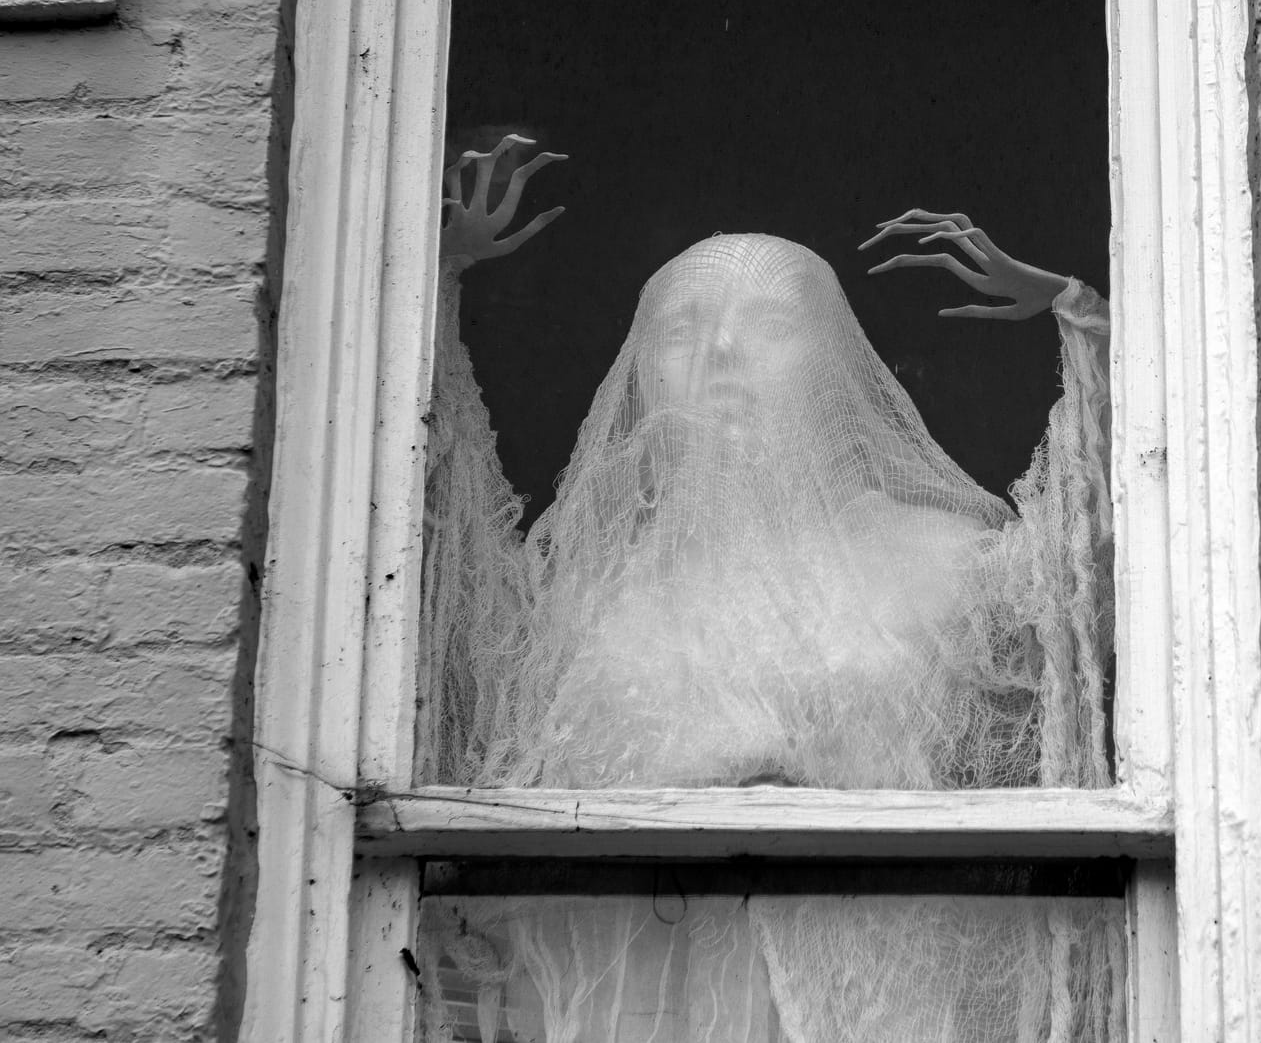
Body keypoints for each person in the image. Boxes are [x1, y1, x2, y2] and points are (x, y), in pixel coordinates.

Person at [421, 136, 1114, 793]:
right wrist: (428, 287)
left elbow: (1106, 563)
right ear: (640, 376)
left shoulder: (941, 564)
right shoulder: (585, 602)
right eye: (682, 329)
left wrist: (1085, 318)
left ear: (832, 370)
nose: (720, 352)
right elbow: (443, 590)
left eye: (772, 325)